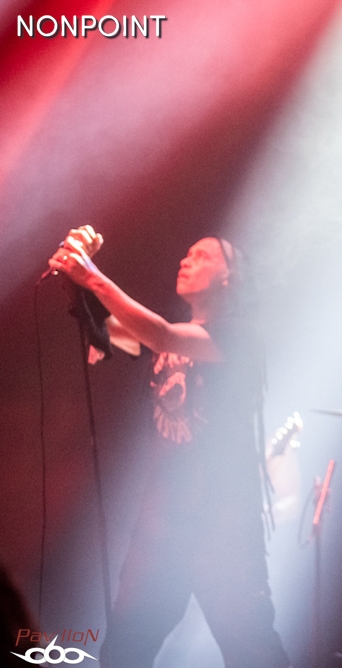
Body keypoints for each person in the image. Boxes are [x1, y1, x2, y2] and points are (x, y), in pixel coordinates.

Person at [48, 228, 290, 668]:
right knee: (124, 649)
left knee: (252, 648)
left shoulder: (241, 338)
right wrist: (74, 283)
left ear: (228, 278)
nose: (185, 259)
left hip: (223, 521)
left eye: (201, 255)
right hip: (162, 520)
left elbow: (159, 335)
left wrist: (92, 276)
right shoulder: (172, 333)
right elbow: (112, 332)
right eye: (186, 252)